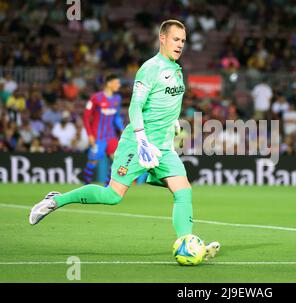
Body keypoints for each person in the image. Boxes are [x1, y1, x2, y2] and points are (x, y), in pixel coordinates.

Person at [29, 20, 220, 261]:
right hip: (138, 144)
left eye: (183, 40)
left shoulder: (177, 69)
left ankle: (188, 243)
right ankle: (55, 201)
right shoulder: (150, 69)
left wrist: (171, 129)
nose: (180, 44)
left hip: (162, 147)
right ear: (162, 38)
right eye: (175, 39)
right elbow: (135, 107)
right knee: (113, 196)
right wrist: (141, 140)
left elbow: (167, 106)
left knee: (184, 192)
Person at [82, 74, 124, 186]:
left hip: (111, 136)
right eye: (117, 83)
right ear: (109, 83)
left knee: (117, 160)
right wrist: (90, 135)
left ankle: (107, 186)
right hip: (98, 136)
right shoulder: (96, 98)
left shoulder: (117, 99)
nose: (119, 85)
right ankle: (86, 186)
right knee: (93, 162)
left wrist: (122, 129)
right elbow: (86, 117)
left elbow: (116, 117)